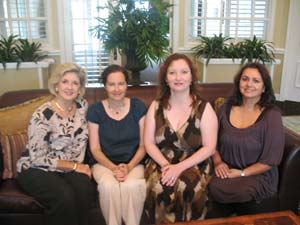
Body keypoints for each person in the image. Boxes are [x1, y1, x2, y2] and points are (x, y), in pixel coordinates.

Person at [143, 53, 218, 224]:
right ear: (165, 79)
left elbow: (210, 147)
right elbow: (148, 143)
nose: (178, 77)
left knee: (190, 187)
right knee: (161, 187)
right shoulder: (155, 106)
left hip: (194, 161)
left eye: (184, 72)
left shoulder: (204, 108)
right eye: (172, 73)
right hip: (162, 159)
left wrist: (179, 168)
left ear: (192, 77)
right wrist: (166, 166)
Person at [16, 62, 94, 225]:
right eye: (65, 81)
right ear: (56, 85)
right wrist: (74, 167)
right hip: (35, 167)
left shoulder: (82, 107)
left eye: (75, 83)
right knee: (63, 195)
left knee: (84, 188)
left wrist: (80, 166)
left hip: (68, 166)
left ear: (80, 89)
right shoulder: (43, 114)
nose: (69, 87)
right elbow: (37, 158)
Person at [207, 62, 285, 218]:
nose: (249, 84)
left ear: (264, 87)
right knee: (214, 187)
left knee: (244, 192)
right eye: (245, 79)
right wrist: (218, 162)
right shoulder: (226, 107)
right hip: (226, 170)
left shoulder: (272, 115)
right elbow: (211, 141)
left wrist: (242, 173)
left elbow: (270, 161)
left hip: (257, 175)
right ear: (238, 83)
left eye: (256, 81)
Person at [87, 64, 147, 225]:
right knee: (108, 187)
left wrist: (128, 166)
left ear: (126, 85)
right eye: (111, 84)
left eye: (120, 83)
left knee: (132, 186)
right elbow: (94, 148)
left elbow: (144, 145)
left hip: (134, 162)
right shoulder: (95, 110)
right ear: (105, 86)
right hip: (103, 164)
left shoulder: (138, 107)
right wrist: (114, 168)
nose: (116, 89)